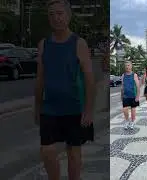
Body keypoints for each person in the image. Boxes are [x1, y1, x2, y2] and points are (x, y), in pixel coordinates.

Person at [34, 1, 95, 180]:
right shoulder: (43, 44)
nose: (56, 18)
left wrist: (88, 110)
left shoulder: (79, 43)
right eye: (51, 14)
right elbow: (40, 79)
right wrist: (37, 107)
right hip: (50, 107)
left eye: (60, 13)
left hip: (74, 107)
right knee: (47, 150)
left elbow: (90, 79)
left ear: (68, 16)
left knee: (73, 152)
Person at [121, 61, 140, 129]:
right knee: (125, 109)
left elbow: (138, 86)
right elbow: (122, 86)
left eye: (128, 65)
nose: (127, 67)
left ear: (131, 66)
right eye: (126, 65)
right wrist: (121, 95)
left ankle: (132, 122)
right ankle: (127, 121)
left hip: (133, 95)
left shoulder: (134, 75)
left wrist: (137, 96)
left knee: (133, 109)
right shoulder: (123, 75)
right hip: (125, 95)